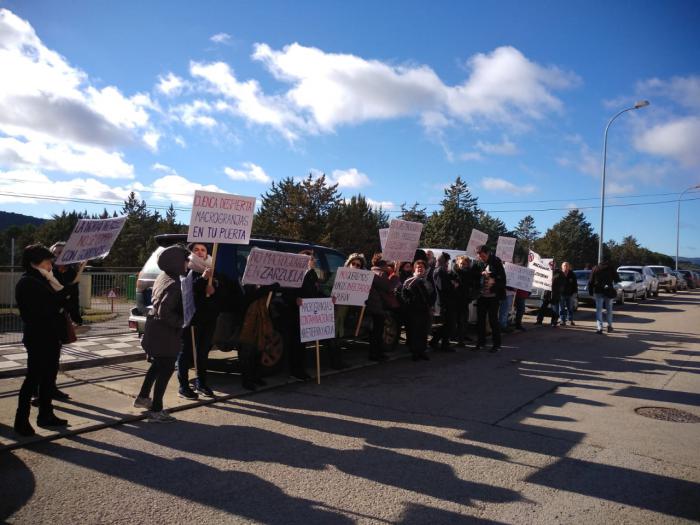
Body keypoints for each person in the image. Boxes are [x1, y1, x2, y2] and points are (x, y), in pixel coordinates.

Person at [14, 244, 71, 436]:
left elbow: (57, 297)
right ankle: (21, 420)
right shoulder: (28, 282)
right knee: (33, 378)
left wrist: (64, 295)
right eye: (47, 262)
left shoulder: (45, 279)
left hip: (51, 335)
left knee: (48, 378)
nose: (50, 266)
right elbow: (38, 312)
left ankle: (46, 415)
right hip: (38, 336)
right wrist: (61, 301)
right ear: (34, 263)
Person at [135, 245, 189, 422]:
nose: (187, 263)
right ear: (175, 263)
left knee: (157, 366)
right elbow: (165, 311)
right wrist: (181, 322)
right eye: (185, 260)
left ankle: (143, 397)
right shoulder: (174, 284)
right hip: (166, 333)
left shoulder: (163, 276)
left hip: (156, 330)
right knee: (165, 370)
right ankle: (156, 409)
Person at [177, 243, 221, 400]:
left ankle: (201, 383)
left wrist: (214, 290)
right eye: (196, 249)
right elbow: (186, 290)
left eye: (203, 249)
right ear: (191, 252)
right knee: (186, 351)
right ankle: (183, 386)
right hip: (191, 317)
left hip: (208, 317)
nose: (200, 252)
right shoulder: (186, 268)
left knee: (203, 352)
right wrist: (203, 280)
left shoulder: (211, 268)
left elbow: (221, 293)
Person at [397, 258, 436, 361]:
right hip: (414, 311)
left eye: (422, 267)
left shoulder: (427, 282)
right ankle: (415, 352)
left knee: (424, 332)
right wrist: (412, 303)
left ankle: (422, 351)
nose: (420, 269)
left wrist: (430, 305)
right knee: (415, 332)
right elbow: (404, 295)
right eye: (418, 267)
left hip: (425, 311)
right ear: (414, 269)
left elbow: (431, 295)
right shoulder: (409, 281)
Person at [475, 245, 506, 353]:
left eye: (483, 256)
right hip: (482, 296)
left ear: (488, 253)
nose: (481, 258)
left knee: (493, 320)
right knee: (480, 320)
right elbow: (475, 275)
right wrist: (481, 274)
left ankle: (496, 345)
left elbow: (502, 279)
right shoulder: (479, 263)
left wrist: (493, 279)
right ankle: (481, 342)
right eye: (479, 256)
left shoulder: (496, 262)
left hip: (493, 296)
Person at [365, 254, 394, 361]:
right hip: (377, 307)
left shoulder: (370, 272)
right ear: (383, 264)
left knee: (375, 332)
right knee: (377, 332)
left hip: (372, 306)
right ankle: (375, 354)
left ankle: (377, 353)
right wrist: (394, 275)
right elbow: (389, 287)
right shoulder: (381, 274)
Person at [430, 252, 457, 351]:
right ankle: (443, 344)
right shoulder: (440, 270)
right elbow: (442, 287)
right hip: (445, 302)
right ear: (445, 261)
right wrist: (453, 285)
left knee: (445, 324)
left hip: (443, 302)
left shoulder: (438, 270)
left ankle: (436, 342)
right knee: (448, 324)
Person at [588, 259, 620, 334]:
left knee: (599, 310)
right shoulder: (611, 268)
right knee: (609, 310)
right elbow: (617, 279)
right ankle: (609, 326)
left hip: (598, 291)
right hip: (608, 291)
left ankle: (600, 328)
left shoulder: (595, 268)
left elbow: (590, 281)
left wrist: (590, 292)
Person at [553, 261, 577, 326]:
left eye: (567, 266)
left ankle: (570, 320)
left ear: (569, 267)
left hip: (570, 294)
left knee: (570, 308)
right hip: (561, 294)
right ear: (562, 267)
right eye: (564, 266)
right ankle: (562, 320)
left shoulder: (572, 274)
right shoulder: (559, 274)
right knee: (562, 308)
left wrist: (575, 293)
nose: (566, 267)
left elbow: (575, 284)